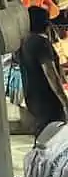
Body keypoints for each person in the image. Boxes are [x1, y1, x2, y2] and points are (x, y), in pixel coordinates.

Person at [18, 7, 68, 136]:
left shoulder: (25, 43)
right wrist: (64, 101)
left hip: (33, 101)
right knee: (56, 140)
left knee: (43, 139)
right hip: (49, 103)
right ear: (46, 24)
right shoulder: (42, 43)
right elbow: (51, 75)